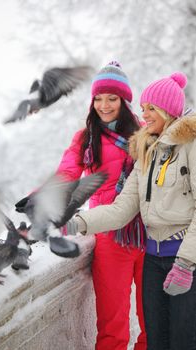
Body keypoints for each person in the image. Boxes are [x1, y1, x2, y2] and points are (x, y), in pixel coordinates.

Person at [69, 71, 196, 350]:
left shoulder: (191, 145)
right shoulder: (147, 149)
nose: (145, 115)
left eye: (151, 109)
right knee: (157, 341)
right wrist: (75, 222)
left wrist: (187, 263)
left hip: (183, 259)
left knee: (184, 340)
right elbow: (123, 208)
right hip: (153, 258)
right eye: (143, 109)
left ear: (168, 109)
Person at [57, 61, 147, 350]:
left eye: (112, 98)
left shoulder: (145, 133)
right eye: (98, 98)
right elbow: (66, 175)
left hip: (149, 234)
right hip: (110, 237)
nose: (104, 105)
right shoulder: (86, 138)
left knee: (154, 322)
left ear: (124, 100)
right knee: (112, 325)